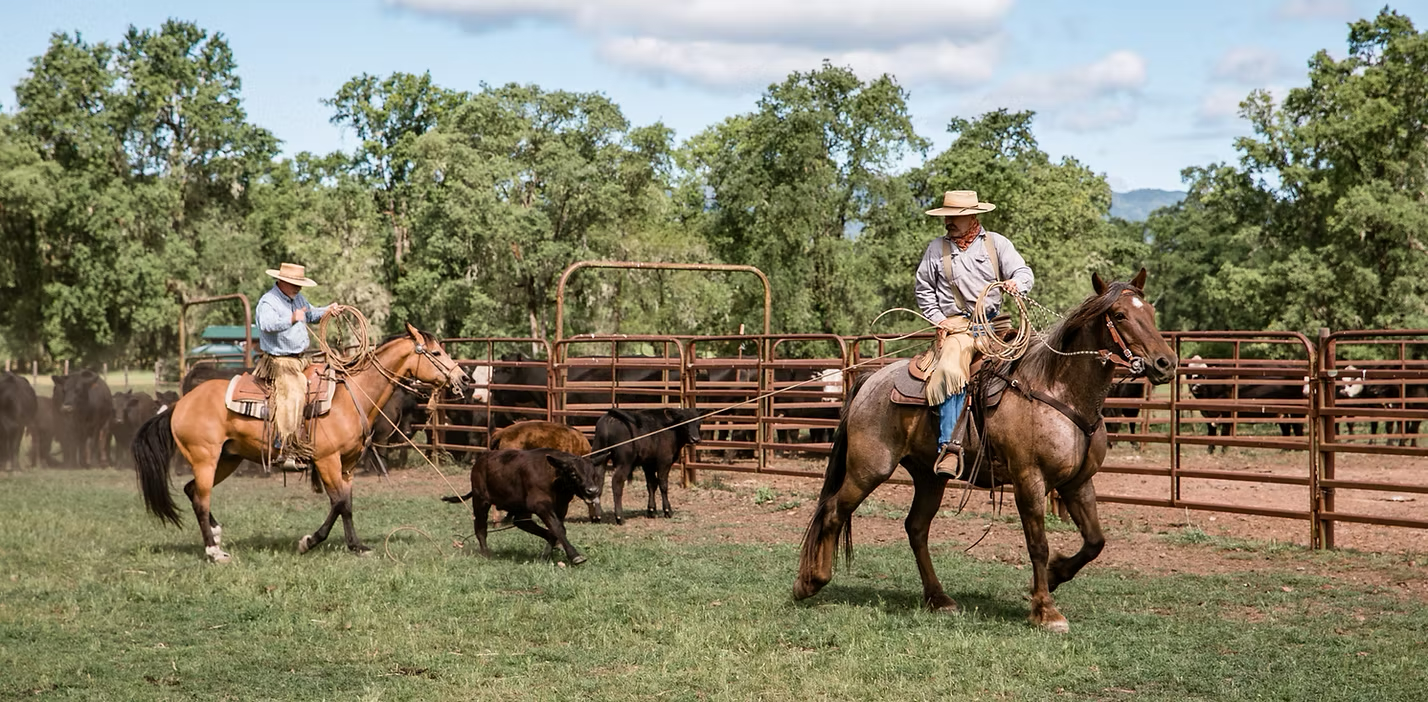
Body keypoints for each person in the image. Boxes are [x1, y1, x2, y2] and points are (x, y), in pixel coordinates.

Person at [913, 191, 1034, 480]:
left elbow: (1023, 271)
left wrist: (1016, 283)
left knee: (1035, 362)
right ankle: (949, 447)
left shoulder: (996, 244)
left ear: (972, 216)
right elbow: (923, 288)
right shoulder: (936, 249)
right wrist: (940, 320)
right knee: (951, 370)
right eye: (947, 217)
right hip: (957, 327)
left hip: (995, 324)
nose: (949, 222)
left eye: (954, 217)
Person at [254, 262, 345, 469]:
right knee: (293, 390)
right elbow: (266, 325)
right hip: (279, 361)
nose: (299, 287)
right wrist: (291, 318)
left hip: (300, 359)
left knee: (325, 379)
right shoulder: (269, 301)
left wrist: (328, 311)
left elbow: (311, 314)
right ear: (283, 281)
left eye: (300, 284)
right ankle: (285, 446)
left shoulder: (297, 299)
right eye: (295, 283)